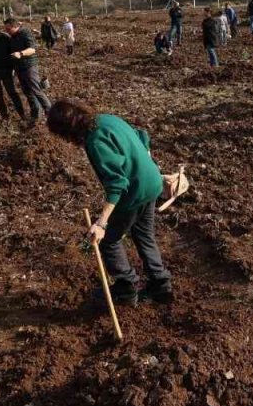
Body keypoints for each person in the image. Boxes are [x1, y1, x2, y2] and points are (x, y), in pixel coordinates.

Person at [47, 99, 173, 307]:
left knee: (109, 241)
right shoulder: (107, 119)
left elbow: (117, 184)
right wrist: (146, 166)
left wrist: (102, 222)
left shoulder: (94, 141)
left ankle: (126, 287)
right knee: (144, 235)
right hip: (152, 183)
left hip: (135, 193)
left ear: (66, 131)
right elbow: (143, 135)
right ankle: (161, 284)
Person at [5, 18, 52, 125]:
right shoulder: (12, 37)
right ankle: (36, 114)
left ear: (14, 26)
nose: (7, 31)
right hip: (19, 68)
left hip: (29, 66)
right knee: (27, 92)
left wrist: (20, 54)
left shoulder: (25, 33)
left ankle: (50, 113)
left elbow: (33, 49)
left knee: (36, 90)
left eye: (8, 29)